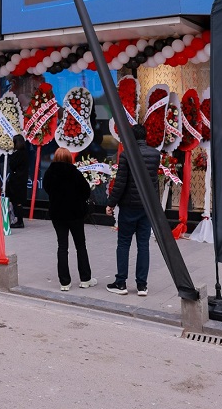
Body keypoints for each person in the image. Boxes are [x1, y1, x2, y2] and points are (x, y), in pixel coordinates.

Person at [105, 123, 160, 297]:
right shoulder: (155, 154)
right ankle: (142, 285)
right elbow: (155, 183)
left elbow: (121, 182)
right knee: (143, 245)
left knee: (123, 244)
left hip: (129, 206)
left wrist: (111, 203)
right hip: (147, 207)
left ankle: (121, 283)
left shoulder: (127, 154)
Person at [42, 147, 97, 291]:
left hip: (57, 215)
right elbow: (86, 192)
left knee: (62, 247)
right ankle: (85, 279)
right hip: (75, 214)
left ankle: (64, 282)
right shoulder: (75, 173)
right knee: (80, 246)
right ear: (69, 158)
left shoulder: (49, 173)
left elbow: (46, 189)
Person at [6, 134, 28, 228]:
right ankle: (19, 220)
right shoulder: (25, 153)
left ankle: (19, 221)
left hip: (17, 180)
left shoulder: (18, 153)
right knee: (18, 200)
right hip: (21, 179)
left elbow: (12, 164)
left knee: (16, 201)